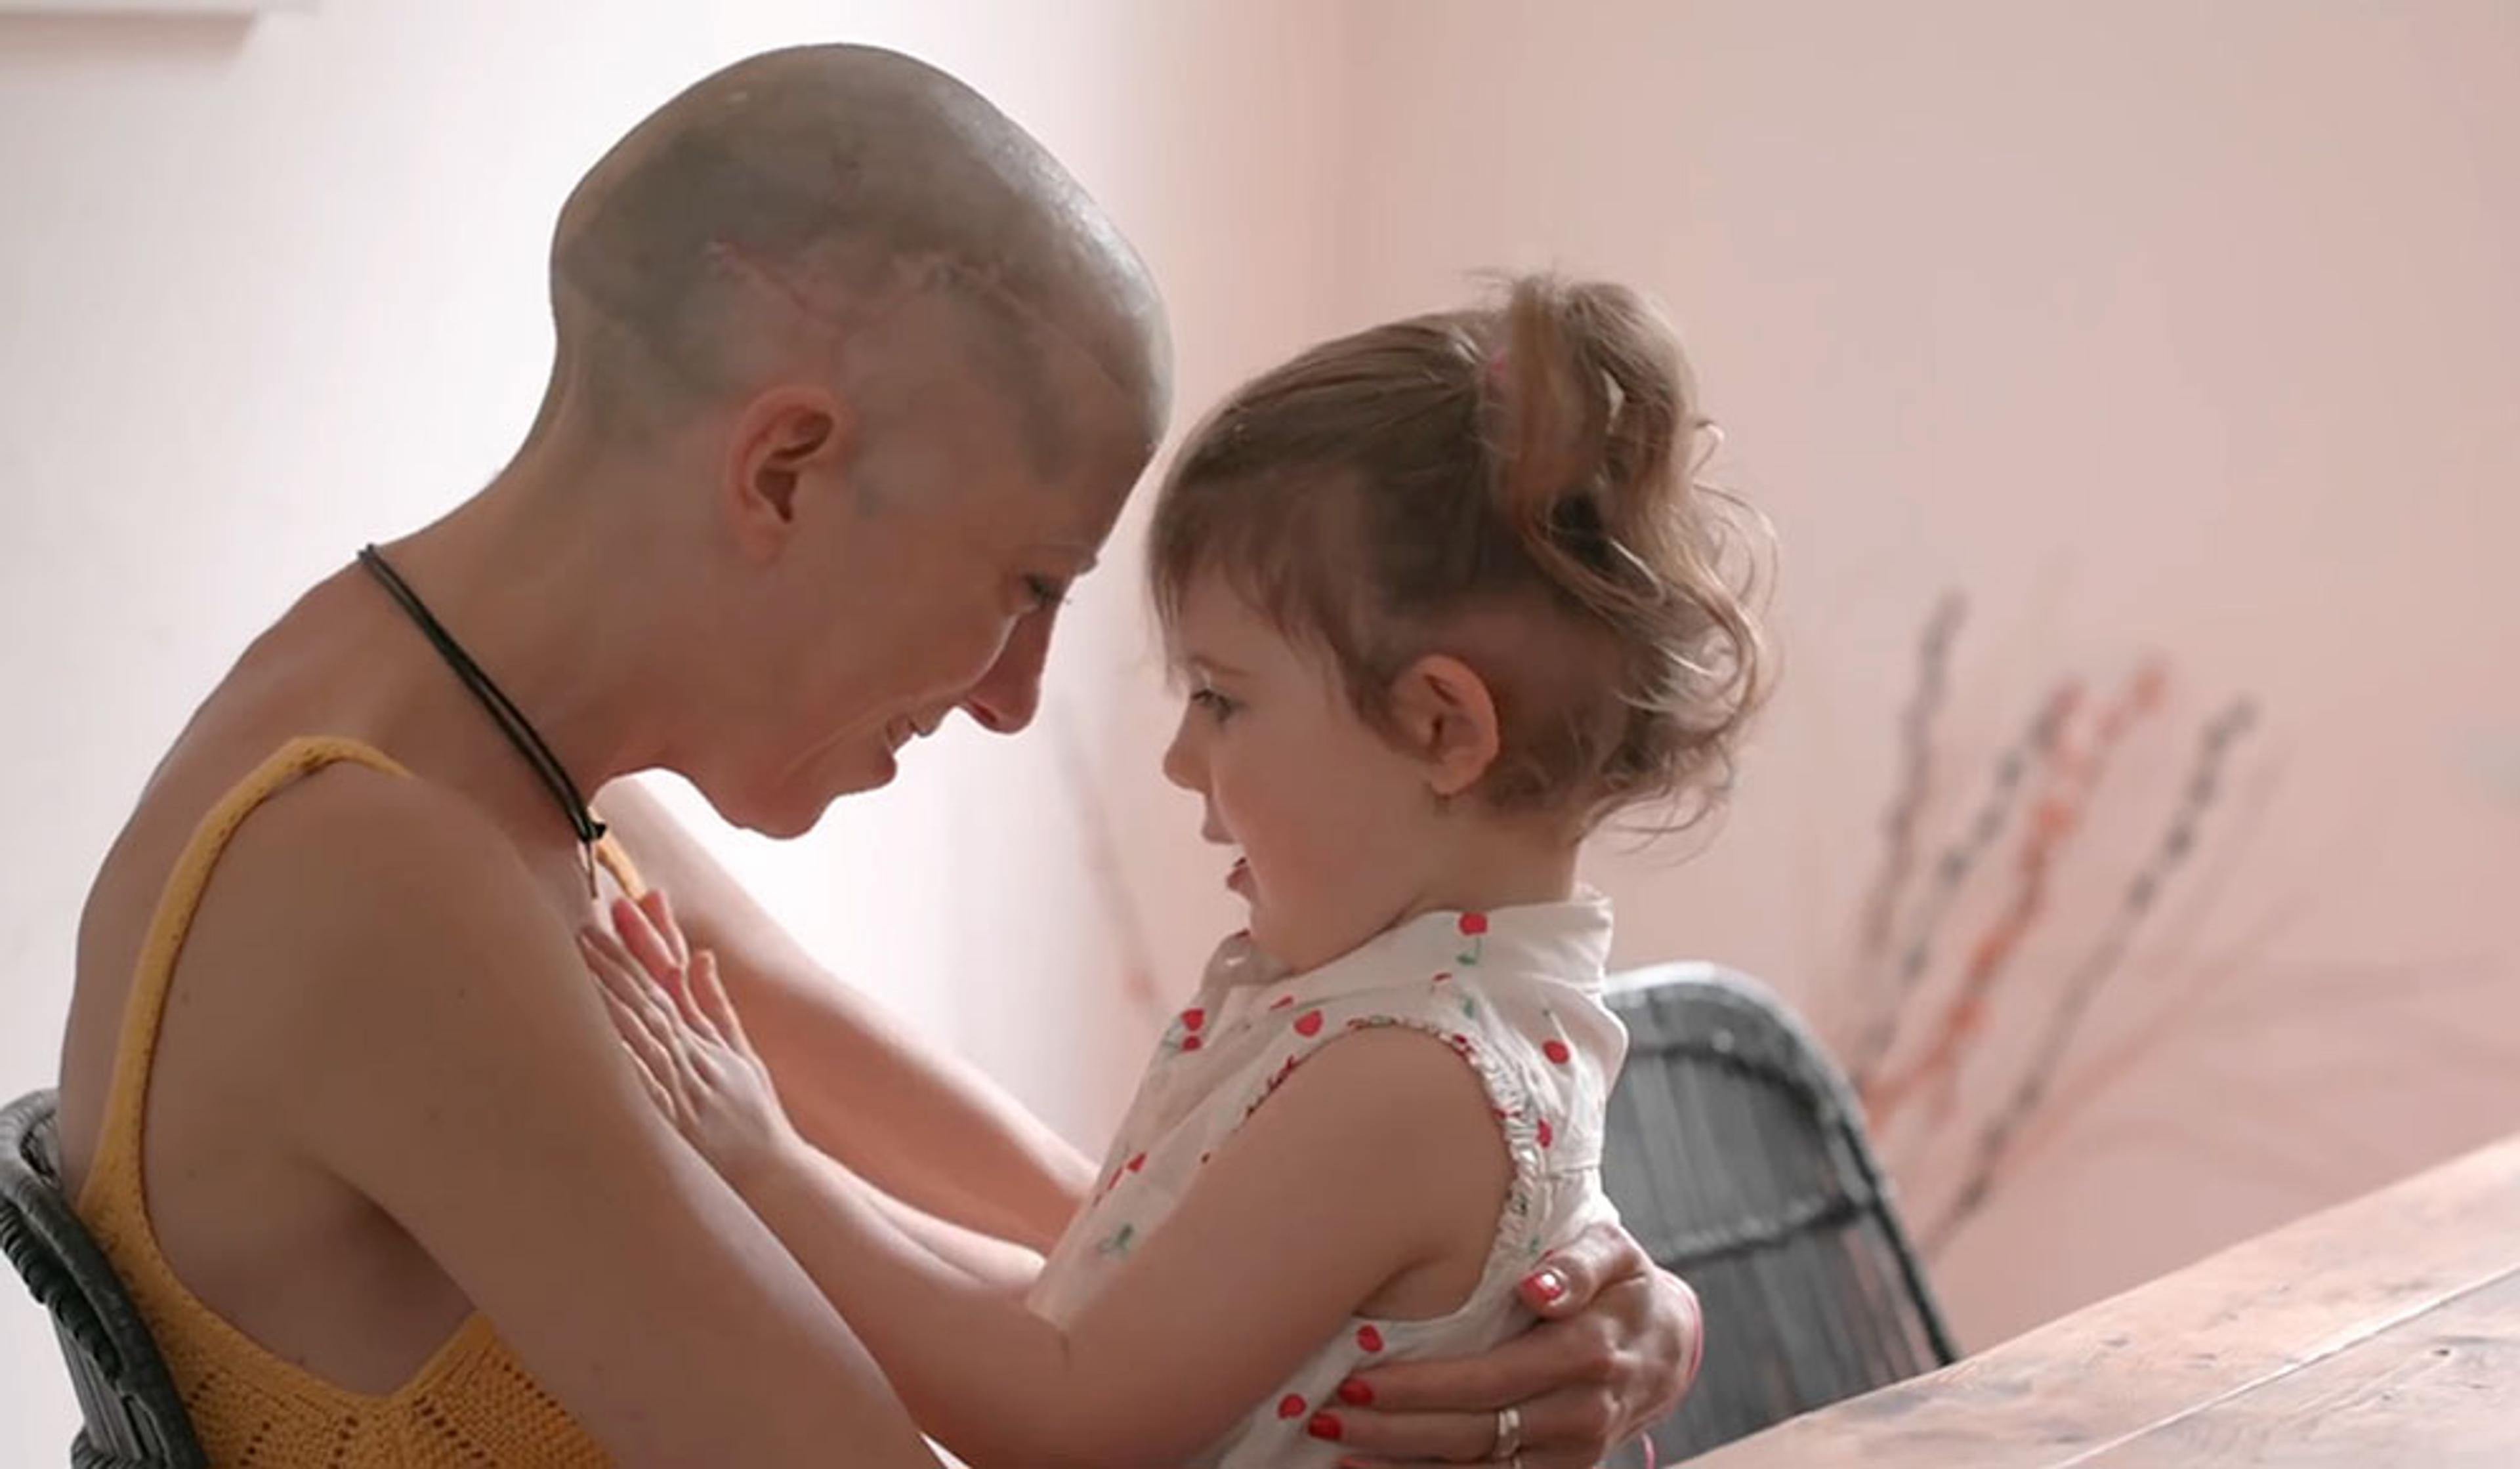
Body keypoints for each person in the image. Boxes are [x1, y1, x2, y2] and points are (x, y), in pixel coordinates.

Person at [54, 43, 1701, 1468]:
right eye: (1026, 585)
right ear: (787, 470)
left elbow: (1129, 1251)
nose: (1012, 700)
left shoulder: (531, 788)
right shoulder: (377, 880)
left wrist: (1552, 1271)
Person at [585, 274, 1762, 1468]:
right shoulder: (1414, 1022)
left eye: (1220, 698)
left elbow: (1066, 1413)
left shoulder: (1408, 1075)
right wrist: (769, 1167)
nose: (1180, 757)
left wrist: (767, 1170)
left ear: (1442, 729)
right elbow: (1086, 1310)